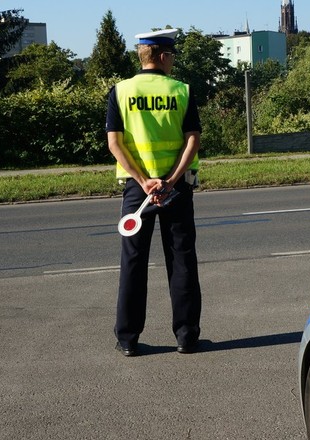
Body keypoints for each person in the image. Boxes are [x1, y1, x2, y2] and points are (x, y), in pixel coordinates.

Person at [105, 28, 203, 357]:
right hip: (175, 187)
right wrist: (170, 180)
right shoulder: (182, 91)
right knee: (182, 260)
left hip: (138, 190)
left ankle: (128, 339)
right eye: (172, 55)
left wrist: (143, 180)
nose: (173, 61)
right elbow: (192, 139)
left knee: (133, 261)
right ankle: (186, 336)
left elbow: (114, 143)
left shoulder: (120, 91)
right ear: (162, 56)